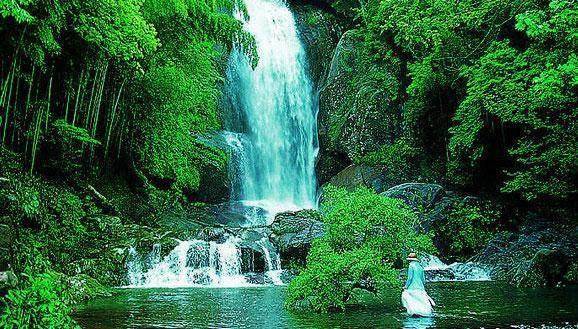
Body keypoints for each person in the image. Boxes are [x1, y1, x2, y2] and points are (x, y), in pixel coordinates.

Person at [401, 252, 435, 317]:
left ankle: (414, 311)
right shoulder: (420, 267)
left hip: (412, 288)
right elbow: (423, 280)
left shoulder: (411, 266)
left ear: (410, 260)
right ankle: (423, 312)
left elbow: (410, 278)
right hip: (421, 288)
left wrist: (405, 286)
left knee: (409, 298)